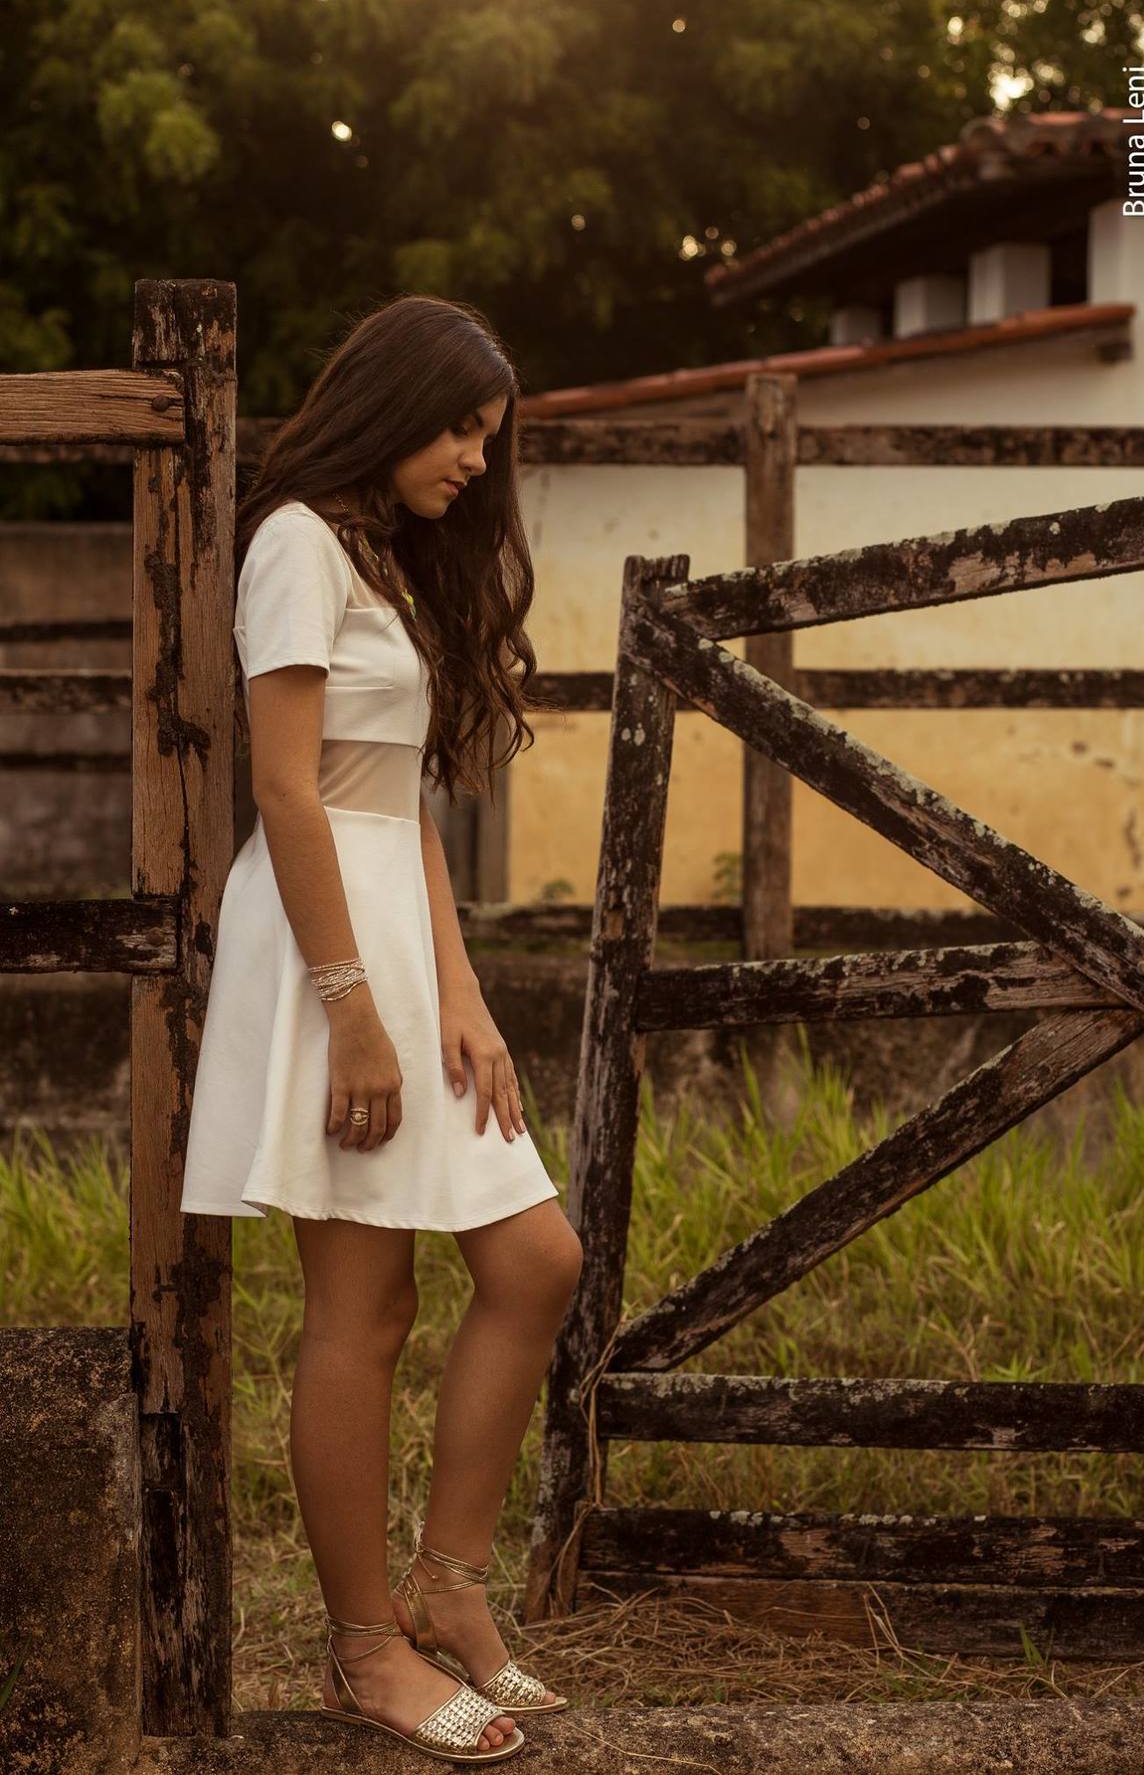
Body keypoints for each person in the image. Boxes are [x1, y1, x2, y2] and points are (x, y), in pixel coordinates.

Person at [179, 294, 584, 1762]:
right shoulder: (293, 543)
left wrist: (459, 995)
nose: (479, 461)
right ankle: (363, 1648)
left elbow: (390, 794)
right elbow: (287, 791)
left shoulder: (381, 565)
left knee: (536, 1261)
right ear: (394, 400)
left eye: (493, 437)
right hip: (324, 956)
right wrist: (354, 1014)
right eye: (464, 426)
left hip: (402, 946)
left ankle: (445, 1583)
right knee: (364, 1311)